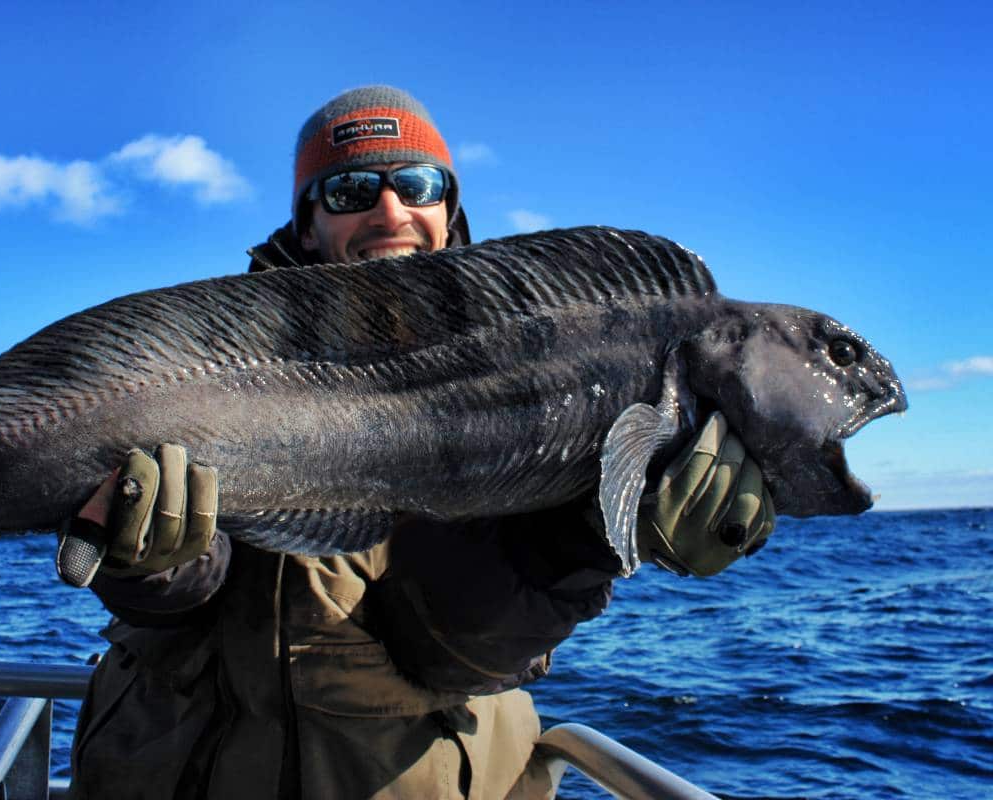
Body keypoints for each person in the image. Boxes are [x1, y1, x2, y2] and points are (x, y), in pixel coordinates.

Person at [66, 86, 775, 799]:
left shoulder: (553, 372)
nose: (390, 211)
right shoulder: (200, 359)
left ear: (447, 210)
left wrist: (584, 538)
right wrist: (148, 563)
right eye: (349, 189)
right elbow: (187, 602)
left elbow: (454, 648)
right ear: (307, 224)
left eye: (417, 184)